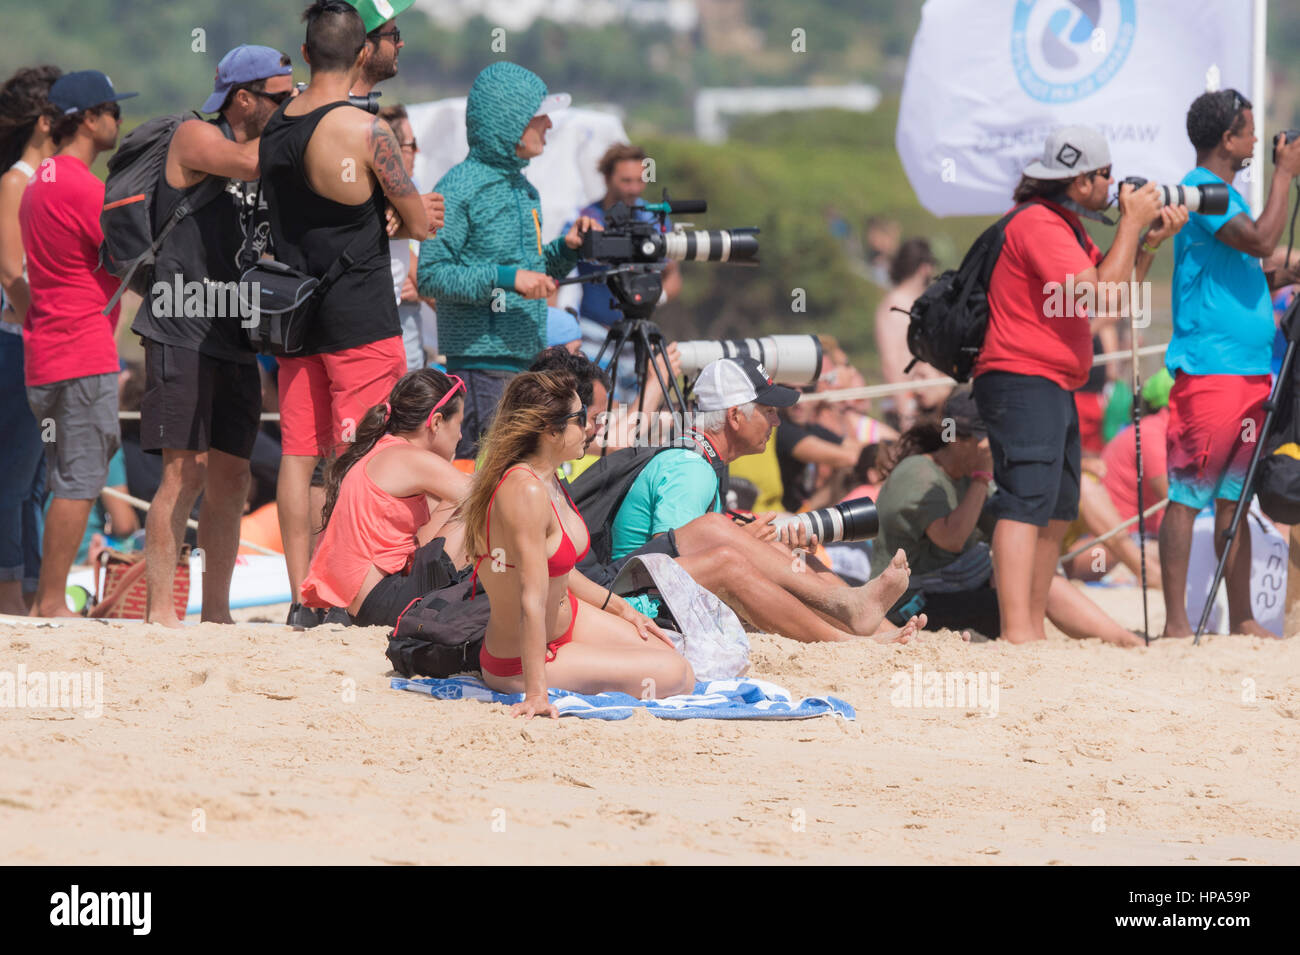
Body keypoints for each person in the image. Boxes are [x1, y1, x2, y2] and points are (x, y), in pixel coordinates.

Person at [532, 347, 925, 643]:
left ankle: (878, 626)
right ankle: (852, 635)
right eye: (767, 410)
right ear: (735, 417)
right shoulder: (691, 468)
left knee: (783, 553)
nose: (776, 419)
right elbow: (676, 553)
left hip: (629, 581)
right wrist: (744, 541)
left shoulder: (700, 459)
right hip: (627, 591)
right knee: (729, 552)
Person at [970, 125, 1184, 644]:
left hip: (1050, 381)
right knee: (1026, 500)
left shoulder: (1064, 224)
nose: (1114, 184)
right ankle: (1017, 630)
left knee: (1057, 504)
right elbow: (1094, 296)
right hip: (1021, 377)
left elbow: (1113, 294)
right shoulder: (1038, 224)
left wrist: (1146, 243)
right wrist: (1131, 222)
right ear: (1079, 179)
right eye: (1105, 174)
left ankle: (1031, 624)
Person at [262, 1, 428, 623]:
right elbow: (416, 222)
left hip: (294, 315)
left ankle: (303, 596)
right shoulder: (366, 132)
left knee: (300, 454)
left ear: (305, 55)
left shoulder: (278, 123)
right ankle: (349, 594)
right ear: (362, 54)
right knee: (365, 455)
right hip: (359, 317)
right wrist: (409, 211)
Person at [130, 45, 293, 627]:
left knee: (234, 474)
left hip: (235, 333)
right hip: (180, 326)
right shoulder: (193, 136)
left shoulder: (262, 148)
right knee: (184, 470)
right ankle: (159, 615)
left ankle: (217, 614)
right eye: (282, 96)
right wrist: (309, 126)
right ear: (243, 97)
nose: (291, 104)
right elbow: (251, 164)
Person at [461, 371, 694, 718]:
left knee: (672, 651)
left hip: (567, 620)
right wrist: (537, 694)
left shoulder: (549, 475)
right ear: (550, 430)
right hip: (526, 659)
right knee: (678, 675)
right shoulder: (524, 490)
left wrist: (622, 608)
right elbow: (531, 596)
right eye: (581, 418)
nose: (590, 428)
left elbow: (561, 572)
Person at [1159, 90, 1300, 640]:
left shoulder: (1227, 198)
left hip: (1244, 371)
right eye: (1248, 129)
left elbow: (1236, 267)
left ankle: (1241, 616)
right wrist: (1285, 174)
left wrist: (1278, 278)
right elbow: (1264, 238)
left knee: (1232, 499)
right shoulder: (1203, 191)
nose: (1257, 140)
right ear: (1227, 139)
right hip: (1211, 370)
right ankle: (1175, 624)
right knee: (1189, 493)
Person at [417, 61, 598, 459]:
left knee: (511, 479)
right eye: (539, 115)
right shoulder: (459, 187)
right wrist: (507, 277)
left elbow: (530, 276)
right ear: (509, 121)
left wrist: (567, 249)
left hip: (520, 363)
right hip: (481, 367)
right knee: (483, 480)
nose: (549, 124)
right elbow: (431, 275)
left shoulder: (524, 189)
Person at [874, 391, 1141, 645]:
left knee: (1034, 576)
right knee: (1020, 595)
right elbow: (951, 539)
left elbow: (1010, 531)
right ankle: (1121, 639)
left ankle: (1121, 638)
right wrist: (982, 477)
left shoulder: (964, 475)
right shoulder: (920, 474)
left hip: (947, 592)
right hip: (909, 606)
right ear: (962, 440)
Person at [20, 69, 135, 617]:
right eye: (112, 110)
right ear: (88, 119)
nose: (118, 119)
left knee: (61, 476)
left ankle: (44, 596)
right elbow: (133, 257)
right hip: (81, 351)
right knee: (81, 478)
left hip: (44, 351)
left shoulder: (38, 181)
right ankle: (50, 602)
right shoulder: (83, 187)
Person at [300, 369, 470, 625]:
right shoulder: (409, 458)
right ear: (436, 423)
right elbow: (489, 495)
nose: (460, 436)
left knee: (457, 503)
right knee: (479, 508)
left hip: (357, 603)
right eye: (459, 425)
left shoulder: (384, 451)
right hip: (380, 602)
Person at [0, 65, 59, 615]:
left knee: (34, 479)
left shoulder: (40, 180)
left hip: (32, 344)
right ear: (45, 120)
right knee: (14, 476)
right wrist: (48, 326)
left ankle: (34, 589)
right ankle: (12, 596)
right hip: (19, 345)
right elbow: (12, 270)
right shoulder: (17, 180)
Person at [567, 142, 682, 364]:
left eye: (640, 181)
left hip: (641, 334)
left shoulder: (655, 219)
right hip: (593, 333)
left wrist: (652, 300)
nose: (634, 189)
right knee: (601, 398)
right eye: (626, 181)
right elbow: (557, 271)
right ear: (607, 178)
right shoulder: (586, 219)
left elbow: (673, 276)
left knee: (640, 399)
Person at [377, 103, 438, 371]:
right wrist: (426, 288)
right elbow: (415, 258)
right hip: (392, 325)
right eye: (412, 145)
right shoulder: (382, 193)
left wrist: (420, 286)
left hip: (407, 323)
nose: (417, 152)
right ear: (394, 150)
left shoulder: (416, 188)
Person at [874, 237, 950, 430]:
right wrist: (905, 412)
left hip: (926, 399)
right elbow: (892, 361)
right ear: (924, 267)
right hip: (908, 402)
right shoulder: (896, 304)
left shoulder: (917, 302)